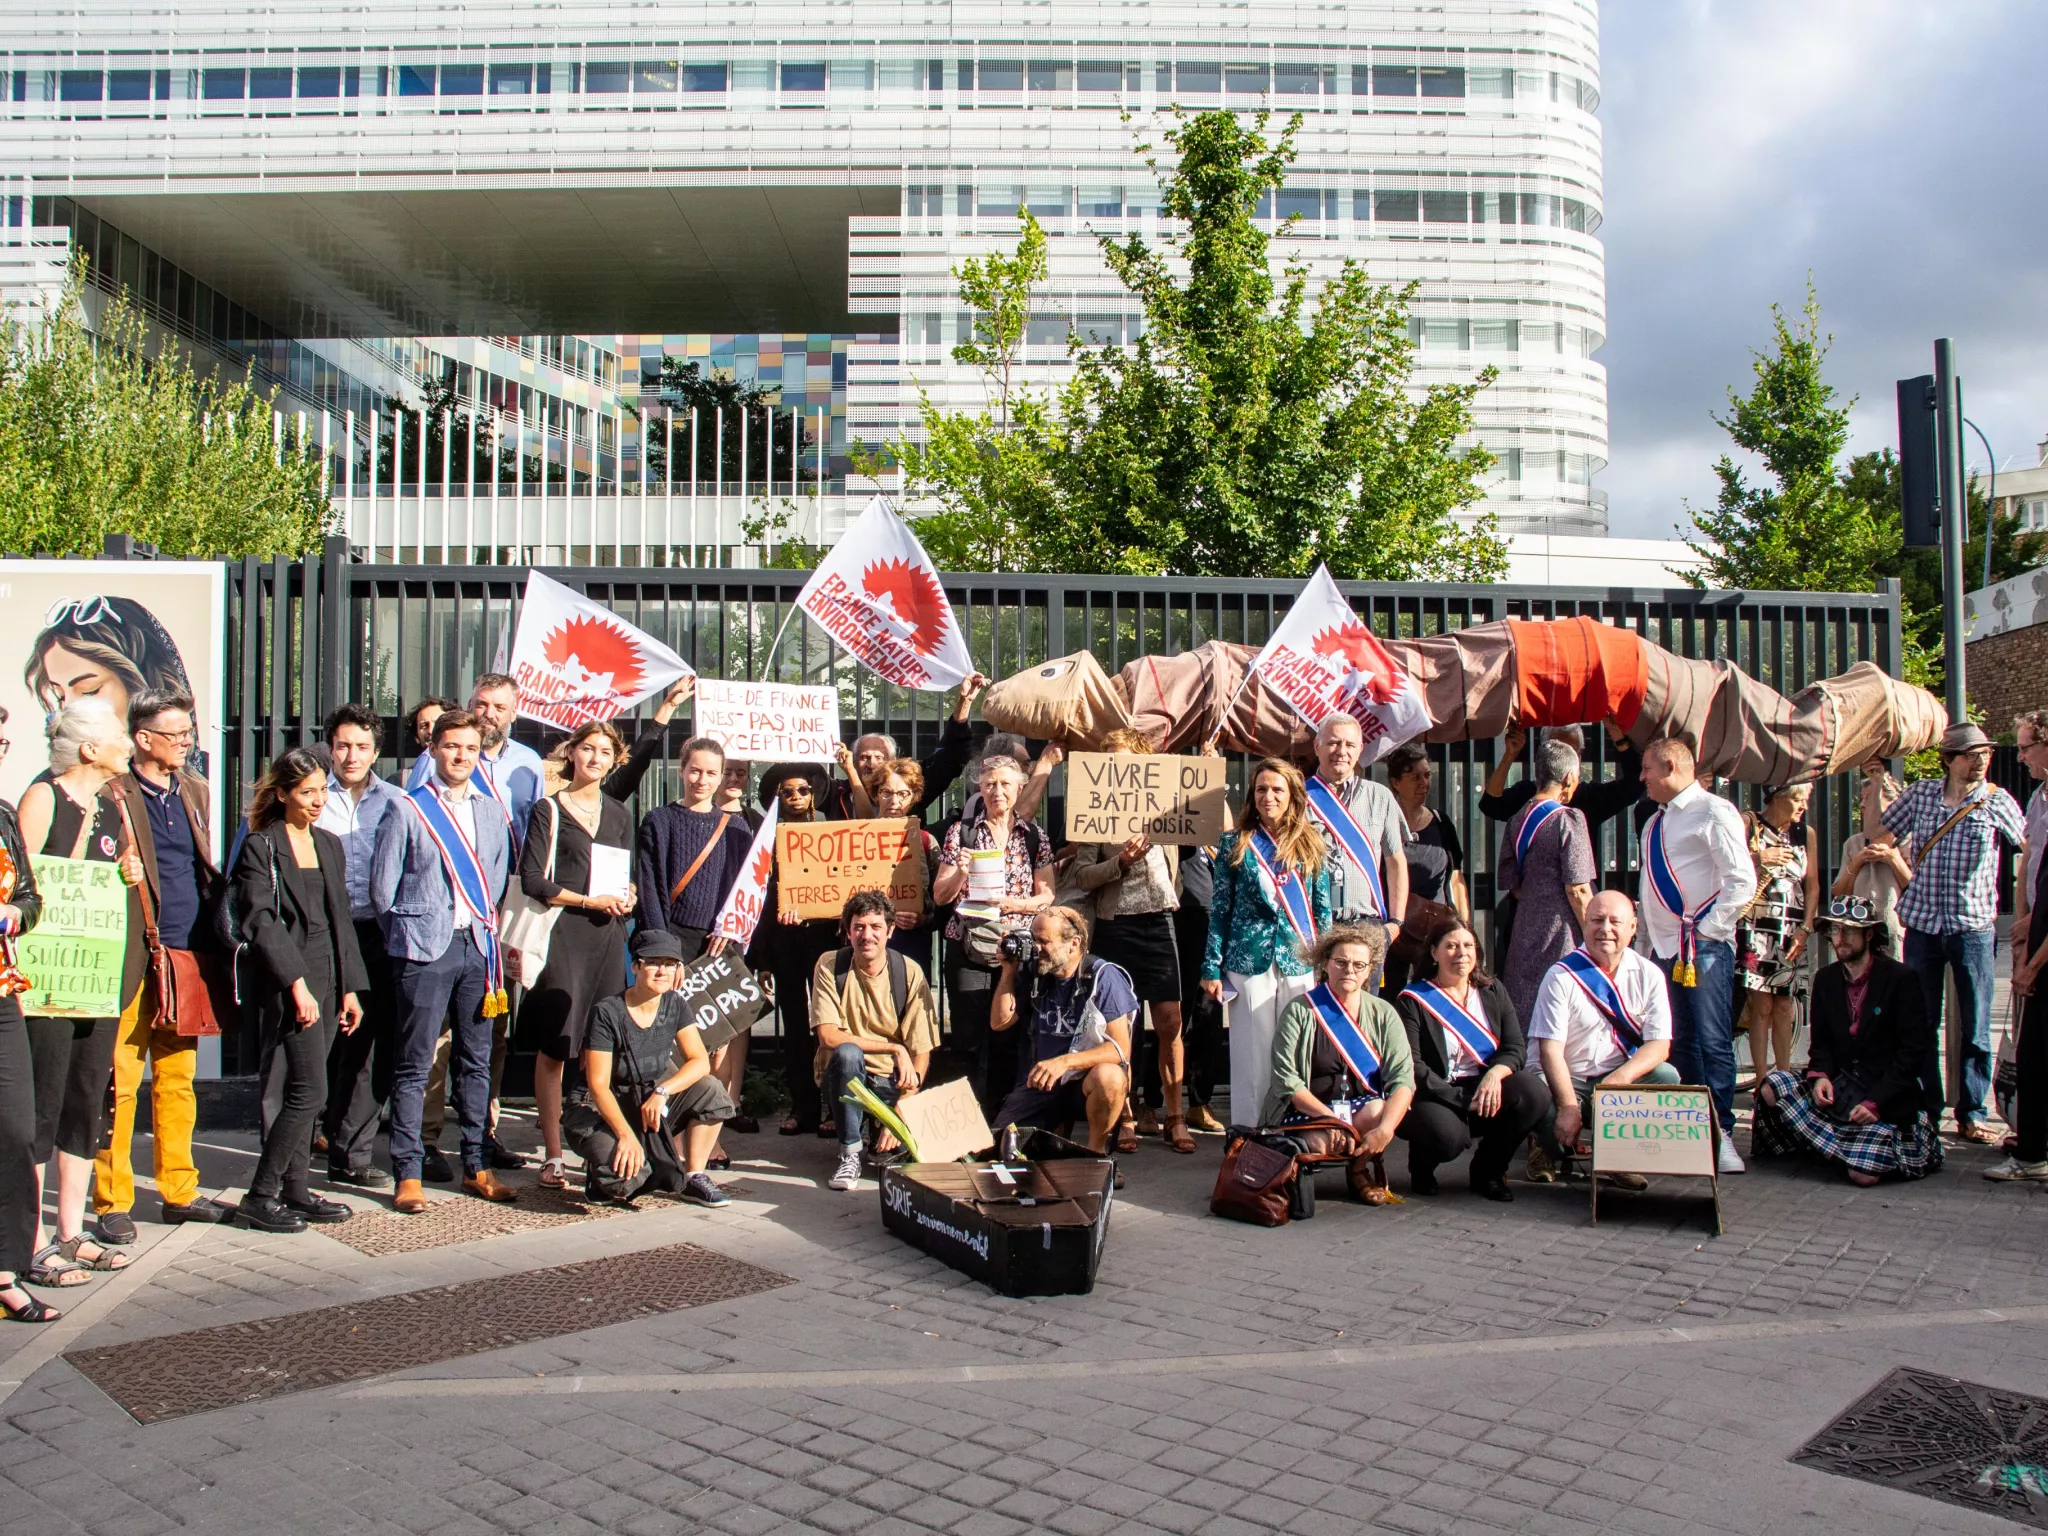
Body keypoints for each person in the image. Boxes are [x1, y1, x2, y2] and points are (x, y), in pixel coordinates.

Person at [370, 708, 520, 1213]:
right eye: (452, 746)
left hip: (477, 948)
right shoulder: (407, 808)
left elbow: (495, 882)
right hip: (424, 950)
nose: (461, 756)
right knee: (415, 1064)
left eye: (471, 749)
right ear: (433, 749)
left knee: (476, 1062)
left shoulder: (492, 812)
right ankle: (408, 1172)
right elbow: (382, 891)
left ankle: (477, 1166)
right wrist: (410, 935)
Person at [97, 687, 234, 1238]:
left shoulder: (194, 789)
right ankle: (112, 1201)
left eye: (188, 732)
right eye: (175, 734)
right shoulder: (112, 792)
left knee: (177, 1079)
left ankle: (179, 1191)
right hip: (133, 955)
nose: (186, 742)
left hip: (186, 953)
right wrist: (117, 869)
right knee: (120, 1082)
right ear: (143, 738)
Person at [16, 703, 139, 1284]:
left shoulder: (113, 803)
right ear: (89, 748)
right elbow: (19, 880)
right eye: (118, 734)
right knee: (41, 1104)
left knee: (86, 1099)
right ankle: (29, 1238)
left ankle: (71, 1230)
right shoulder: (44, 797)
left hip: (96, 979)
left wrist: (127, 871)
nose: (127, 743)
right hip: (46, 982)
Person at [406, 673, 546, 1168]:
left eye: (499, 707)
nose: (489, 714)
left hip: (500, 905)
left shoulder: (529, 765)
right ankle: (426, 1139)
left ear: (514, 713)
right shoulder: (437, 758)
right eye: (482, 704)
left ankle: (482, 1132)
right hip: (445, 906)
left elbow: (534, 833)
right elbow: (415, 828)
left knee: (491, 1025)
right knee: (439, 1033)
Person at [232, 748, 368, 1232]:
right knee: (311, 1091)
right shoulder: (261, 846)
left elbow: (341, 920)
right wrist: (296, 985)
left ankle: (295, 1189)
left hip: (330, 975)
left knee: (307, 1087)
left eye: (321, 791)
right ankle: (260, 1195)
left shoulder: (328, 844)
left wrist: (351, 988)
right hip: (290, 979)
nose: (317, 801)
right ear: (282, 794)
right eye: (307, 792)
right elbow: (261, 921)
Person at [1881, 722, 2028, 1144]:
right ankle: (1927, 1110)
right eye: (1971, 754)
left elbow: (2030, 848)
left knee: (1976, 1024)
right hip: (1924, 925)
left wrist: (2024, 910)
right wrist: (1875, 785)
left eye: (1986, 752)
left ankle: (1972, 1112)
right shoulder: (1922, 794)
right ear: (1949, 760)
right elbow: (1881, 833)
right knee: (1921, 1022)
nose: (1981, 760)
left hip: (1972, 926)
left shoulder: (1997, 800)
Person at [517, 720, 637, 1190]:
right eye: (588, 748)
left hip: (608, 936)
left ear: (614, 760)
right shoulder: (548, 808)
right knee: (557, 1045)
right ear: (572, 753)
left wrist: (628, 895)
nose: (595, 758)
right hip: (564, 933)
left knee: (599, 1047)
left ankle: (594, 1150)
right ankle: (552, 1154)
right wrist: (588, 901)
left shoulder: (619, 813)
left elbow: (626, 876)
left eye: (605, 752)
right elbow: (533, 880)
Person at [1754, 895, 1940, 1186]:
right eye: (1835, 930)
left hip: (1885, 1095)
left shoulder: (1901, 978)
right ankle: (1837, 1146)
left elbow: (1912, 1053)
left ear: (1869, 934)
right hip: (1842, 1090)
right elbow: (1821, 1044)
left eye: (1849, 931)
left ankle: (1839, 1148)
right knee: (1772, 1086)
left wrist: (1876, 1102)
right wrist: (1820, 1076)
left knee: (1863, 1175)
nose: (1840, 938)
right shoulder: (1826, 979)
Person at [1071, 728, 1192, 1153]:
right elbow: (1082, 876)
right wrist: (1120, 862)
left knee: (1170, 1022)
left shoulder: (1166, 806)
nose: (1115, 768)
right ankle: (1124, 1115)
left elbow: (1207, 827)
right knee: (1120, 1025)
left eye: (1122, 760)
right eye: (1108, 761)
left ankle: (1174, 1116)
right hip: (1116, 924)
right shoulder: (1094, 810)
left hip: (1160, 920)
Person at [1638, 737, 1755, 1175]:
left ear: (1671, 766)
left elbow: (1741, 880)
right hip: (1665, 949)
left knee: (1712, 1040)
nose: (1642, 777)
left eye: (1647, 768)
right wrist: (1644, 948)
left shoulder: (1714, 811)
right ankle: (1691, 1131)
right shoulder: (1653, 823)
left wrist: (1706, 931)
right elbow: (1649, 891)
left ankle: (1721, 1132)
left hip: (1702, 949)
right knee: (1678, 1041)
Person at [1203, 758, 1334, 1129]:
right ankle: (1250, 1133)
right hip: (1248, 960)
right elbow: (1220, 909)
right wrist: (1210, 966)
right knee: (1252, 1051)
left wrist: (1326, 962)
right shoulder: (1235, 842)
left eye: (1277, 789)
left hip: (1299, 958)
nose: (1268, 796)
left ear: (1292, 796)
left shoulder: (1311, 842)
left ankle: (1294, 1128)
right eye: (1261, 789)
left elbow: (1322, 909)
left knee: (1296, 1048)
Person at [565, 930, 734, 1207]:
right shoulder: (607, 1012)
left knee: (712, 1091)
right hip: (597, 1108)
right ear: (635, 966)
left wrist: (663, 1092)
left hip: (645, 1099)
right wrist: (625, 1136)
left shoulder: (675, 1004)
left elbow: (699, 1061)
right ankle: (599, 1171)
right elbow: (597, 1085)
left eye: (670, 964)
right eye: (653, 962)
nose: (662, 971)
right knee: (629, 1180)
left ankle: (694, 1176)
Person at [933, 753, 1056, 1116]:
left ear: (1020, 787)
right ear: (979, 789)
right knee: (967, 1042)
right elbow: (939, 896)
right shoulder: (962, 833)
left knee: (1008, 1038)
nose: (996, 791)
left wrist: (1016, 904)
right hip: (968, 947)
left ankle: (1001, 1119)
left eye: (1005, 784)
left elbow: (1048, 895)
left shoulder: (1034, 836)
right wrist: (960, 872)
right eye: (989, 784)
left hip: (1015, 951)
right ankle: (966, 1122)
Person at [1528, 890, 1681, 1182]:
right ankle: (1541, 1145)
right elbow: (1550, 1051)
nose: (1605, 929)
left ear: (1633, 927)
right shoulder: (1560, 976)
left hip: (1613, 1079)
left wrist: (1617, 1081)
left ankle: (1614, 1157)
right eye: (1597, 920)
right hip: (1566, 1079)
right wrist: (1568, 1107)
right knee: (1543, 1113)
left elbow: (1659, 1045)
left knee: (1666, 1076)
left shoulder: (1649, 975)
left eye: (1615, 921)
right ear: (1585, 924)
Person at [1394, 917, 1549, 1201]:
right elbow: (1412, 1066)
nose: (1461, 953)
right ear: (1434, 952)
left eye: (1468, 945)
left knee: (1533, 1093)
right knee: (1447, 1138)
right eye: (1451, 946)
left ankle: (1488, 1172)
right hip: (1434, 1092)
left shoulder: (1492, 990)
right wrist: (1460, 1098)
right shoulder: (1413, 1000)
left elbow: (1515, 1047)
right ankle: (1422, 1167)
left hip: (1483, 1086)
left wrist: (1495, 1075)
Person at [315, 704, 405, 1191]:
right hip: (319, 931)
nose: (352, 756)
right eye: (344, 745)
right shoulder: (310, 796)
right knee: (315, 1042)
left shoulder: (395, 801)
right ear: (330, 748)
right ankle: (304, 1141)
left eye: (362, 747)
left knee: (370, 1045)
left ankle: (353, 1152)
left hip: (374, 933)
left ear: (376, 752)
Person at [1264, 923, 1414, 1193]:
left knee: (1381, 1113)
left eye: (1359, 965)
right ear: (1326, 963)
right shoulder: (1299, 1010)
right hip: (1309, 1113)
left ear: (1370, 970)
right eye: (1341, 962)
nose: (1349, 970)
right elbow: (1285, 1080)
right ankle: (1297, 1177)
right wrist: (1330, 1120)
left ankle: (1358, 1171)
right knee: (1320, 1143)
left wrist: (1386, 1129)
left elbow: (1403, 1078)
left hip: (1361, 1112)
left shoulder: (1384, 1013)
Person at [813, 890, 939, 1190]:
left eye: (875, 927)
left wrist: (902, 1109)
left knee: (896, 1157)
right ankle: (849, 1154)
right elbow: (827, 1035)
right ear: (847, 931)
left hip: (890, 1080)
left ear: (890, 931)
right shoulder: (830, 964)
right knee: (847, 1053)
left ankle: (877, 1130)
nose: (866, 935)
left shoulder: (908, 971)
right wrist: (894, 1047)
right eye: (858, 927)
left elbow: (921, 1049)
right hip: (844, 1076)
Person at [990, 907, 1135, 1155]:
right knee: (999, 1146)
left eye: (1044, 941)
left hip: (1084, 1083)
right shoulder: (1036, 971)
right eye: (1033, 939)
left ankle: (1095, 1156)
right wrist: (1008, 970)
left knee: (1110, 1077)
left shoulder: (1103, 976)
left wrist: (1064, 1062)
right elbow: (999, 1022)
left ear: (1073, 944)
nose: (1036, 948)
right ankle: (1053, 1142)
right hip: (1042, 1084)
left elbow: (1120, 1049)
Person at [751, 762, 845, 1137]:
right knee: (793, 1026)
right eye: (786, 791)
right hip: (783, 940)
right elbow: (758, 897)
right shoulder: (766, 836)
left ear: (813, 793)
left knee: (831, 1023)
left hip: (824, 940)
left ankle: (834, 1107)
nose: (795, 797)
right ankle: (803, 1107)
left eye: (803, 790)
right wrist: (762, 959)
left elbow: (845, 881)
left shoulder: (829, 829)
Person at [1301, 715, 1408, 986]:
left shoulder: (1379, 796)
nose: (1341, 751)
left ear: (1360, 749)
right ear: (1317, 746)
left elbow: (1395, 861)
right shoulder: (1298, 797)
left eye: (1349, 744)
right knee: (1317, 1005)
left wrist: (1395, 924)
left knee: (1365, 1006)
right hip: (1313, 924)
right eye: (1333, 743)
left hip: (1367, 926)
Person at [1497, 739, 1595, 1032]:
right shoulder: (1568, 819)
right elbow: (1577, 889)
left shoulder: (1517, 819)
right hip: (1561, 929)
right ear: (1569, 778)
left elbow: (1511, 883)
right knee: (1562, 1011)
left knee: (1527, 1011)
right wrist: (1593, 933)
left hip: (1525, 927)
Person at [0, 779, 51, 1321]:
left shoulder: (2, 814)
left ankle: (4, 1271)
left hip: (1, 992)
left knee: (15, 1131)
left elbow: (30, 897)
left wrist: (17, 913)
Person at [634, 736, 756, 955]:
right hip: (672, 936)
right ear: (681, 771)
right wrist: (662, 945)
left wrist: (732, 928)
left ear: (720, 777)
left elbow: (749, 888)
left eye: (711, 773)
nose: (702, 780)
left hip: (722, 941)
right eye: (695, 771)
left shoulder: (737, 828)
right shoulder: (659, 821)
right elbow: (648, 887)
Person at [1738, 784, 1821, 1089]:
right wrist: (1760, 858)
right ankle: (1762, 1082)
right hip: (1757, 927)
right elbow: (1730, 866)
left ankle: (1784, 1079)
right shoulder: (1750, 824)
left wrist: (1806, 927)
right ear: (1778, 797)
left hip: (1791, 930)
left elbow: (1812, 885)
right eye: (1799, 799)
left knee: (1785, 1006)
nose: (1804, 806)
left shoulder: (1805, 834)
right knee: (1761, 1007)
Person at [25, 596, 195, 744]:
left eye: (89, 691)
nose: (68, 710)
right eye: (60, 696)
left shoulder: (201, 769)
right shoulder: (60, 772)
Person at [823, 671, 987, 821]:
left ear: (893, 761)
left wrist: (964, 702)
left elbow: (950, 756)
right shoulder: (837, 792)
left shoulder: (912, 782)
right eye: (864, 757)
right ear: (853, 761)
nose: (871, 764)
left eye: (879, 757)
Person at [1996, 714, 2048, 1182]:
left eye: (2027, 746)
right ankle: (2032, 1143)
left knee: (2036, 1051)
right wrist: (2021, 922)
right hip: (2036, 928)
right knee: (2032, 1050)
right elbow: (2028, 860)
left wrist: (2033, 959)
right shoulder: (2038, 797)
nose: (2021, 756)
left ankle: (2034, 1152)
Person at [1481, 721, 1646, 834]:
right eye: (1557, 751)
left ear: (1579, 757)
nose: (1563, 759)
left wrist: (1620, 739)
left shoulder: (1591, 797)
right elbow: (1491, 805)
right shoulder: (1527, 794)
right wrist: (1509, 755)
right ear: (1544, 753)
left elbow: (1635, 785)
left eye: (1570, 752)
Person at [1170, 847, 1227, 1135]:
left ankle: (1199, 1102)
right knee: (1170, 1015)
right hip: (1172, 914)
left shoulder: (1221, 833)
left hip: (1211, 915)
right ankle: (1150, 1102)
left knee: (1207, 1015)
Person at [1833, 760, 1912, 951]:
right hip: (1860, 939)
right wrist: (1857, 862)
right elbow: (1838, 893)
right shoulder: (1854, 844)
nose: (1862, 805)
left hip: (1900, 939)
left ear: (1894, 805)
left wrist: (1894, 861)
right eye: (1862, 798)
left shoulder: (1911, 842)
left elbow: (1921, 892)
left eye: (1869, 798)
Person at [867, 759, 940, 965]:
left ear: (913, 797)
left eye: (903, 794)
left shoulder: (926, 841)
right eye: (886, 793)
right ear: (875, 794)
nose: (894, 801)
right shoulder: (857, 838)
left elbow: (941, 898)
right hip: (866, 941)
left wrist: (924, 919)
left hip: (911, 944)